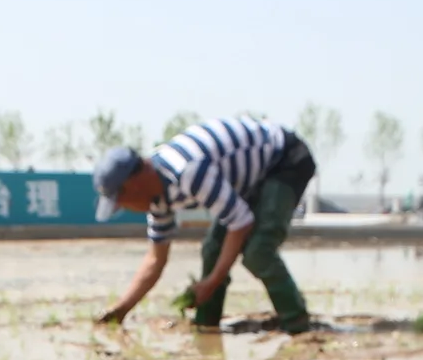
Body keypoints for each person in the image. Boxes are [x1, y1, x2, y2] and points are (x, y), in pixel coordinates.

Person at [92, 116, 317, 333]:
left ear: (136, 184)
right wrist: (121, 309)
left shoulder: (188, 172)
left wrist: (211, 281)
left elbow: (240, 223)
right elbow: (155, 259)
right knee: (212, 250)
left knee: (259, 252)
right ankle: (207, 325)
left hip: (284, 159)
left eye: (123, 202)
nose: (126, 209)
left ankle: (298, 325)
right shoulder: (158, 198)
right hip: (249, 178)